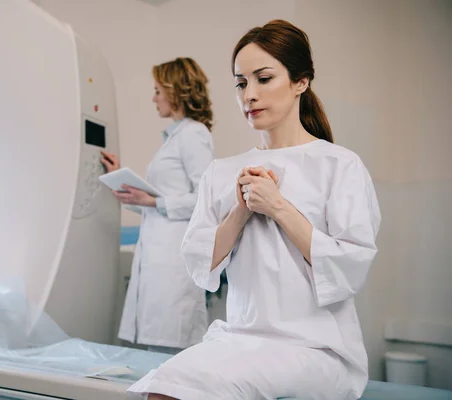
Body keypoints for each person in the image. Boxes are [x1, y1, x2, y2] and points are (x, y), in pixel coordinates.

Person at [128, 20, 381, 399]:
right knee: (160, 388)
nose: (249, 94)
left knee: (183, 391)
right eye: (241, 83)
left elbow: (349, 268)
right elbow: (200, 263)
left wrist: (278, 207)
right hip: (241, 337)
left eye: (264, 78)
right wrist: (241, 211)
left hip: (316, 347)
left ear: (301, 81)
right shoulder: (222, 172)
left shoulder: (339, 165)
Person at [101, 57, 215, 355]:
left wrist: (153, 200)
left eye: (157, 90)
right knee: (157, 347)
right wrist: (128, 188)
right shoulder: (174, 137)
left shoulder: (193, 135)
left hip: (175, 259)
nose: (154, 98)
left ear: (175, 90)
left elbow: (207, 200)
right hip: (157, 251)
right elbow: (161, 203)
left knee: (170, 348)